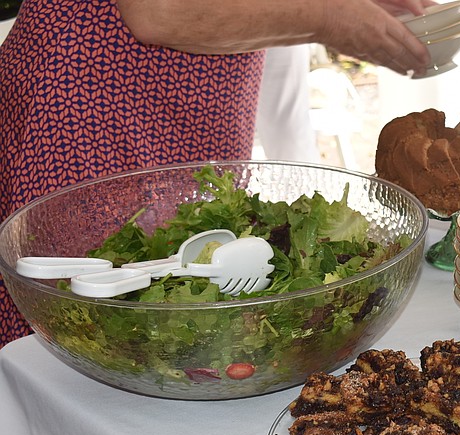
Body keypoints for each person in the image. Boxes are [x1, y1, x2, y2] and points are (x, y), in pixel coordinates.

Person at [0, 0, 431, 346]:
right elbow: (158, 12)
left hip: (189, 113)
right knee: (76, 324)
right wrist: (328, 16)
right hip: (89, 98)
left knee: (173, 304)